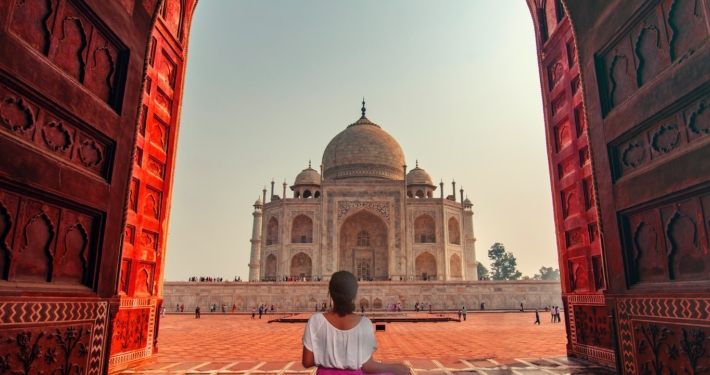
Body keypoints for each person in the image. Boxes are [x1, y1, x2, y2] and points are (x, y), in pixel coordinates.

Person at [301, 271, 409, 375]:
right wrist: (392, 367)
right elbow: (367, 366)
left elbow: (307, 362)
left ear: (330, 292)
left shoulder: (316, 321)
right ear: (354, 294)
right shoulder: (364, 323)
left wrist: (327, 358)